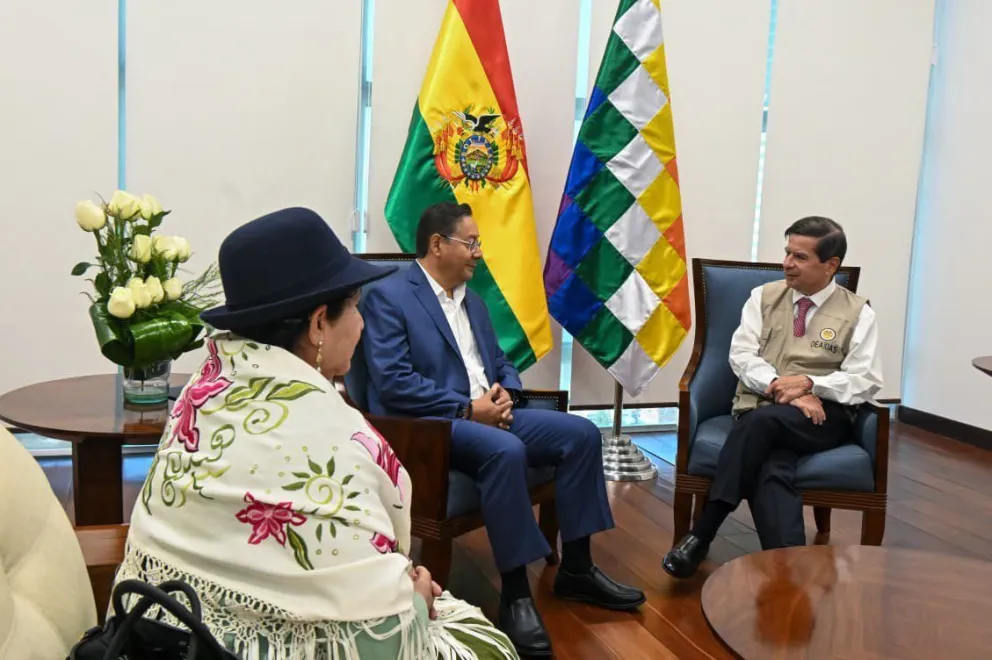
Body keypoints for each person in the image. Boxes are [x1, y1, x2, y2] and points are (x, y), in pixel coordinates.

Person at [111, 207, 519, 659]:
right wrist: (416, 602)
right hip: (251, 645)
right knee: (490, 645)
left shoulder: (201, 390)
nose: (363, 325)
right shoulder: (333, 434)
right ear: (319, 323)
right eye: (357, 308)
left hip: (155, 625)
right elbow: (381, 633)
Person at [359, 202, 645, 657]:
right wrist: (468, 409)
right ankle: (515, 593)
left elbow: (501, 361)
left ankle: (576, 568)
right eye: (470, 242)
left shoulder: (473, 299)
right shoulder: (389, 296)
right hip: (429, 426)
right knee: (503, 450)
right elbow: (392, 381)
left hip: (486, 412)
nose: (479, 252)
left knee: (582, 434)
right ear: (437, 244)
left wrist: (506, 391)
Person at [663, 216, 883, 579]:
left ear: (831, 265)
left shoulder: (859, 313)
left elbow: (865, 380)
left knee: (762, 424)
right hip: (762, 406)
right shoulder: (762, 298)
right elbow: (742, 356)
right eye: (787, 253)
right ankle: (790, 571)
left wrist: (812, 384)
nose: (786, 263)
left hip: (824, 418)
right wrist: (787, 388)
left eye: (799, 257)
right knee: (772, 464)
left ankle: (703, 532)